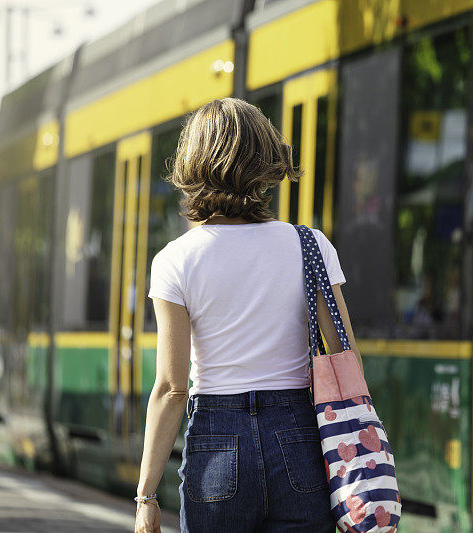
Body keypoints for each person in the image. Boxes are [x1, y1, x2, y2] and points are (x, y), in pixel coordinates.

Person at [134, 97, 363, 533]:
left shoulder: (174, 261)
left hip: (217, 443)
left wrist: (146, 495)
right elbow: (345, 356)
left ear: (192, 163)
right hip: (299, 439)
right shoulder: (310, 246)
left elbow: (170, 388)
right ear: (266, 161)